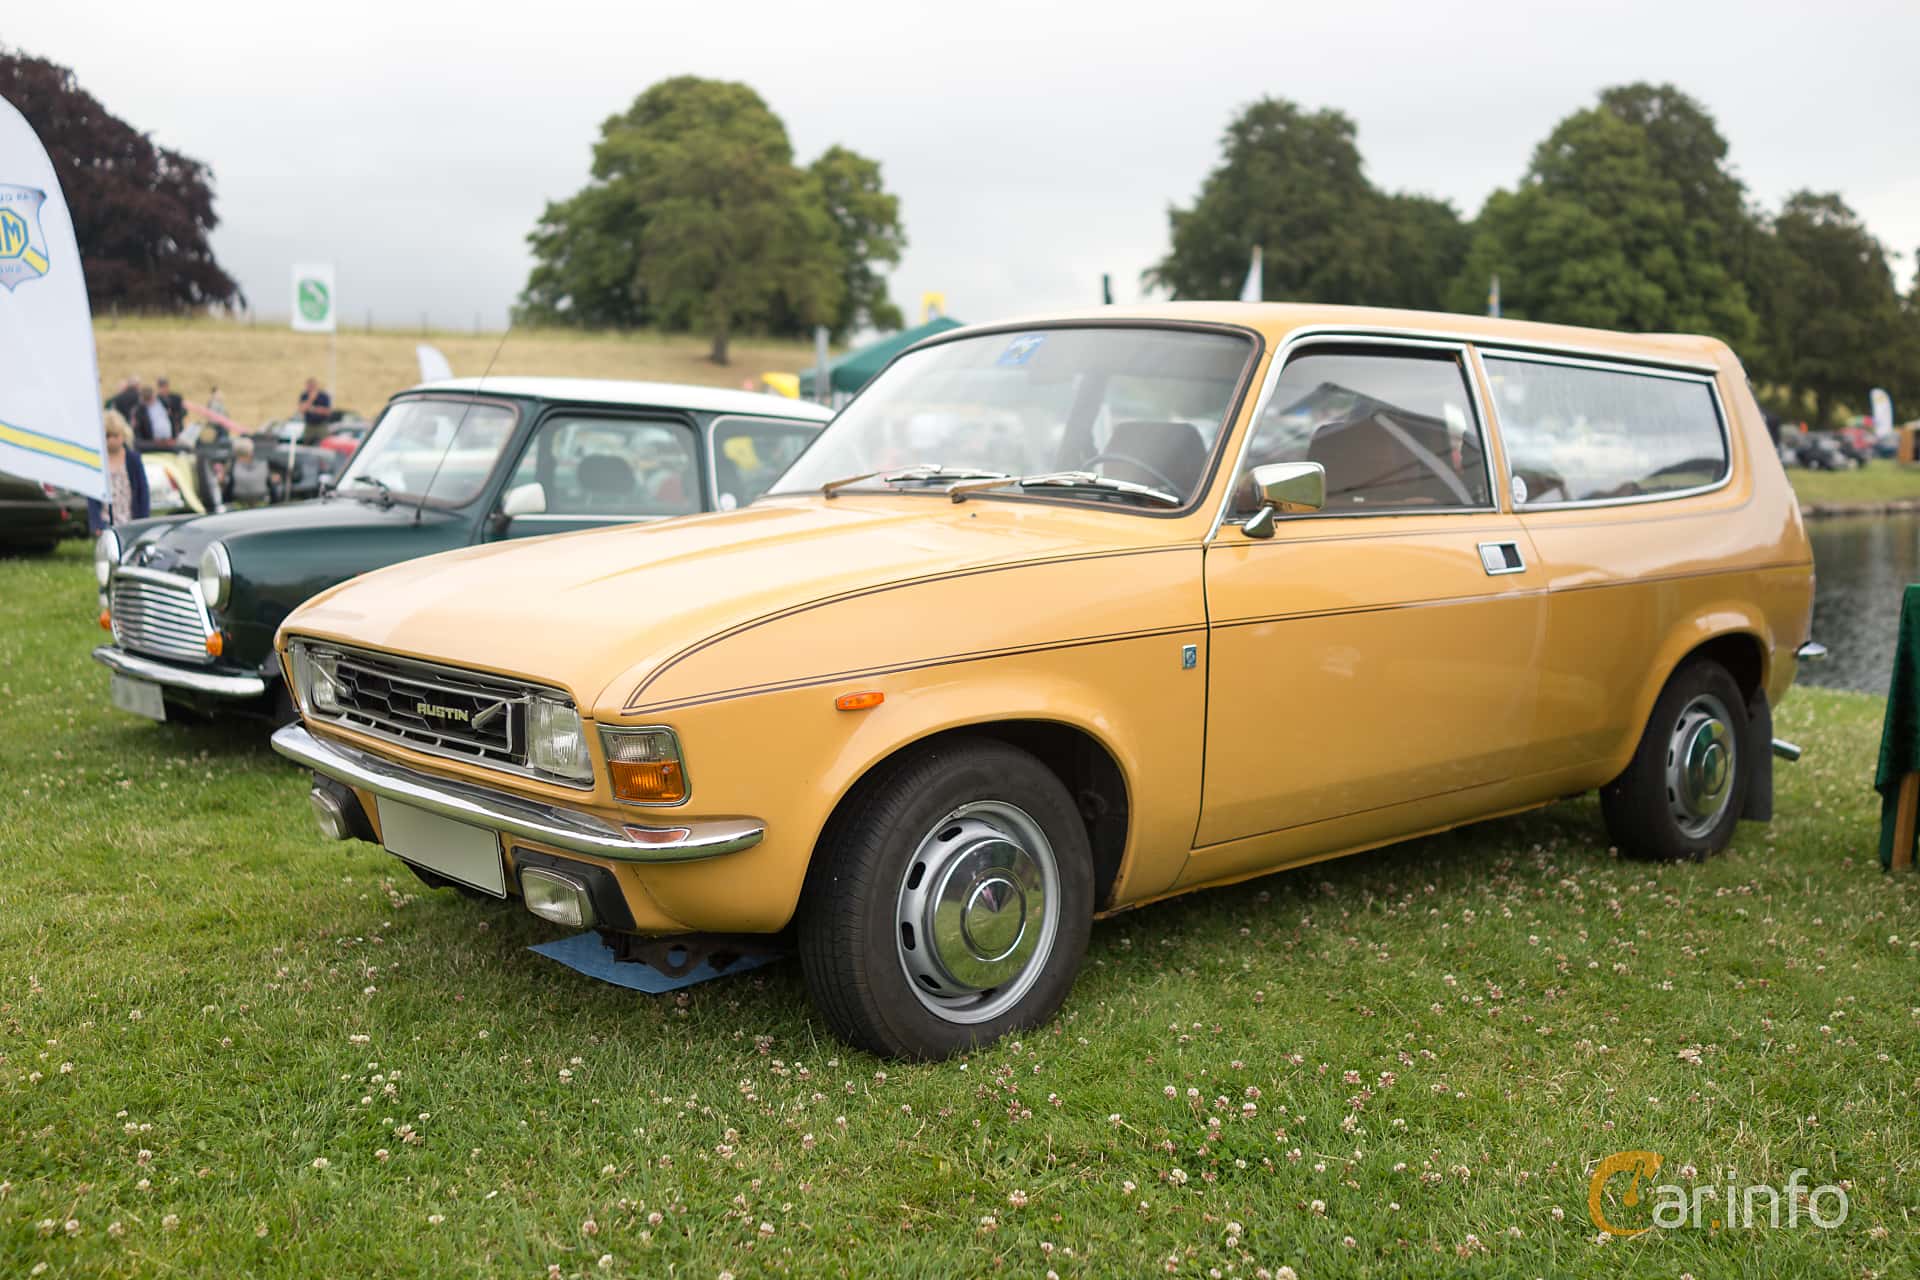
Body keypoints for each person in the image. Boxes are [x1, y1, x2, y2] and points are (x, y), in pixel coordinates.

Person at [88, 410, 150, 533]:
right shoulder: (98, 462)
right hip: (106, 522)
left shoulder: (133, 460)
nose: (111, 440)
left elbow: (143, 492)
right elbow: (92, 498)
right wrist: (96, 524)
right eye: (107, 436)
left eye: (115, 435)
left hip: (131, 520)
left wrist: (143, 521)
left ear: (123, 435)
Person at [227, 436, 273, 507]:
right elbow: (270, 485)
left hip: (240, 503)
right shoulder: (263, 464)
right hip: (261, 503)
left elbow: (230, 486)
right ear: (251, 450)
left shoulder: (234, 465)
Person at [134, 385, 178, 450]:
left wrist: (174, 436)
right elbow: (138, 429)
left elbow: (173, 417)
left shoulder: (163, 402)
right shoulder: (140, 410)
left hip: (169, 441)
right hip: (154, 443)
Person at [298, 377, 333, 442]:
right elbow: (302, 410)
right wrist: (311, 399)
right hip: (309, 424)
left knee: (325, 441)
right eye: (309, 386)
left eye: (312, 386)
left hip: (321, 424)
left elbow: (328, 411)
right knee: (306, 441)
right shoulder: (304, 395)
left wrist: (314, 409)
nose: (311, 387)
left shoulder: (323, 396)